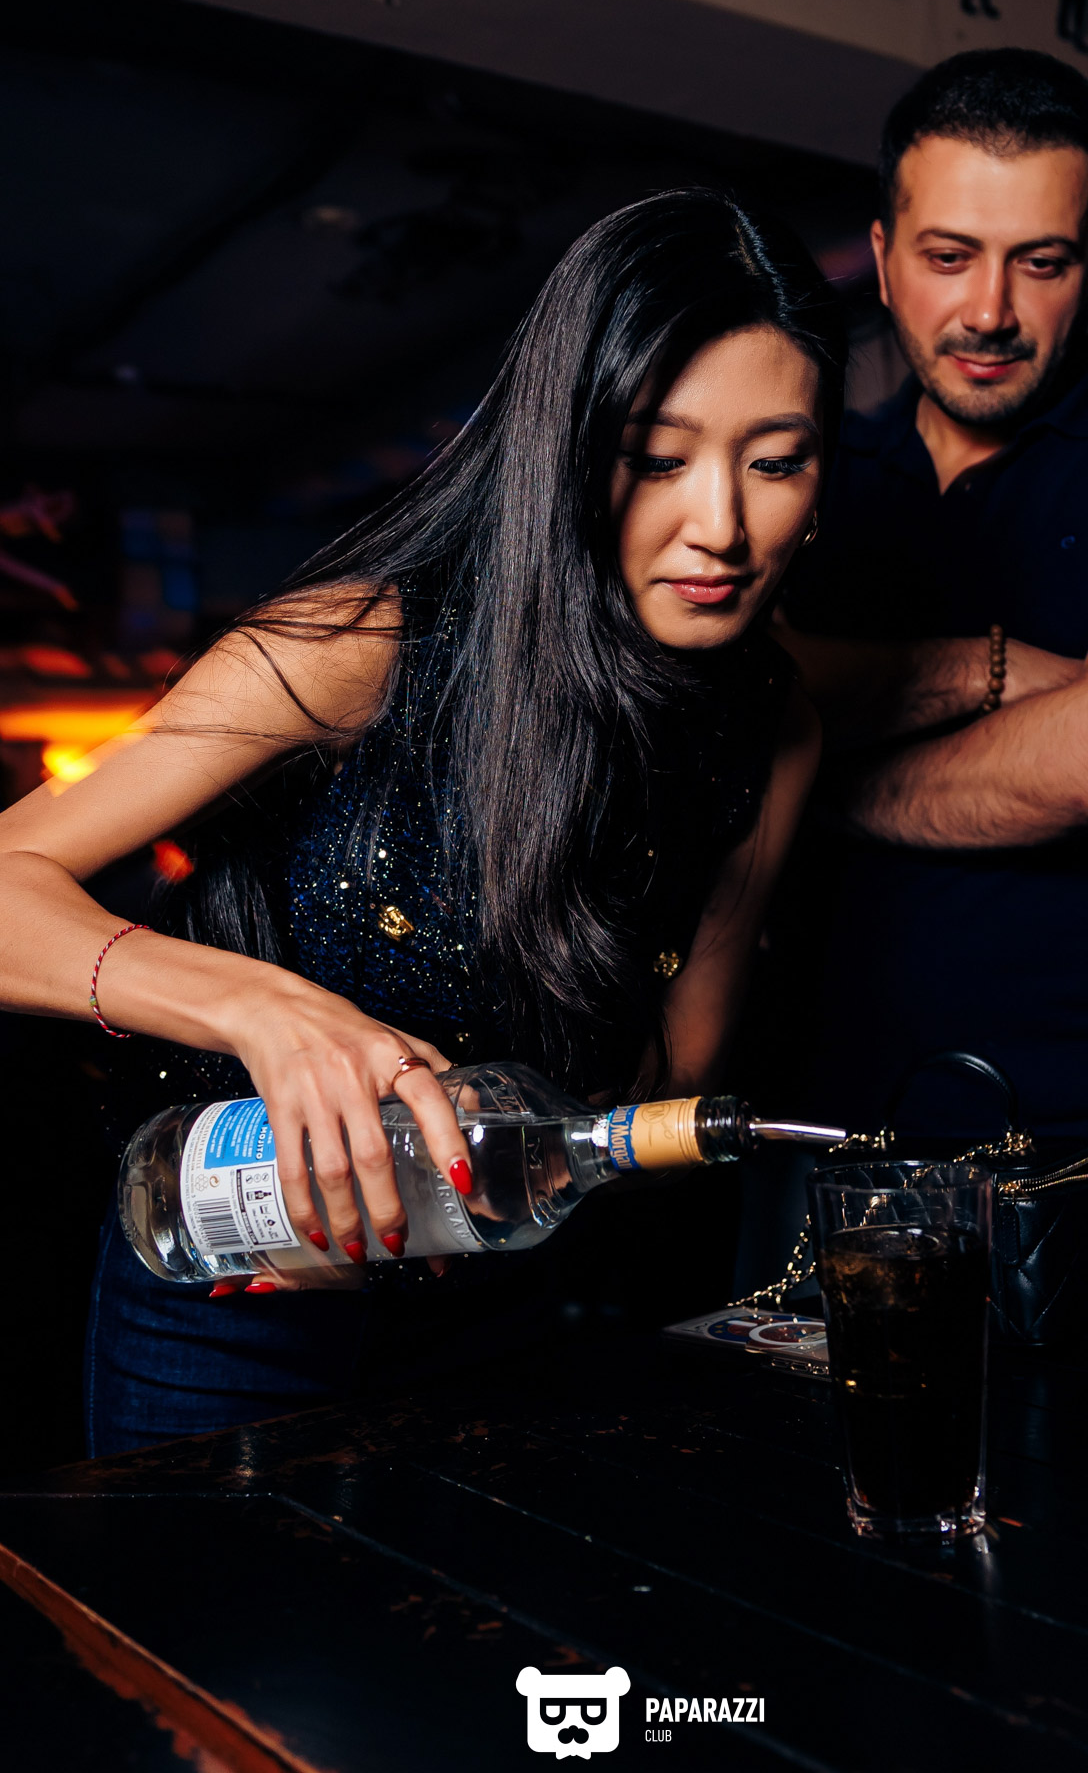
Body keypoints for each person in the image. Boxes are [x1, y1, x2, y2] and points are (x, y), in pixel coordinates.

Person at [0, 190, 846, 1452]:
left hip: (499, 1303)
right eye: (656, 458)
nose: (720, 526)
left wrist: (502, 1173)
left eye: (774, 462)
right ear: (564, 453)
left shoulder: (769, 723)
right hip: (235, 1302)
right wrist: (268, 1014)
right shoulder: (361, 645)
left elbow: (677, 1075)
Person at [762, 50, 1088, 1278]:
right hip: (822, 1148)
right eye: (948, 256)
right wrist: (992, 669)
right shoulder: (803, 475)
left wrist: (818, 779)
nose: (988, 311)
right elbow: (720, 711)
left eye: (1038, 262)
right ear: (881, 253)